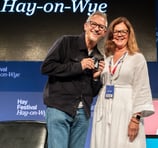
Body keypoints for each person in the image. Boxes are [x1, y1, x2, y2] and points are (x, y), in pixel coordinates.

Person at [40, 11, 108, 148]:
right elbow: (46, 67)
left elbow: (93, 92)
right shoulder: (66, 42)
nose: (96, 28)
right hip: (60, 108)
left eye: (101, 27)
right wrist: (79, 66)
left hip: (83, 114)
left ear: (104, 32)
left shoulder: (99, 57)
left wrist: (96, 78)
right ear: (85, 26)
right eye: (94, 24)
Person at [90, 17, 155, 148]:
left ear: (129, 35)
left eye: (124, 32)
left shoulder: (137, 58)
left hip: (126, 110)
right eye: (116, 31)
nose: (120, 35)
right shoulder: (106, 59)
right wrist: (96, 76)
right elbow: (98, 84)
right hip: (104, 109)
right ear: (111, 35)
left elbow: (142, 89)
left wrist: (136, 119)